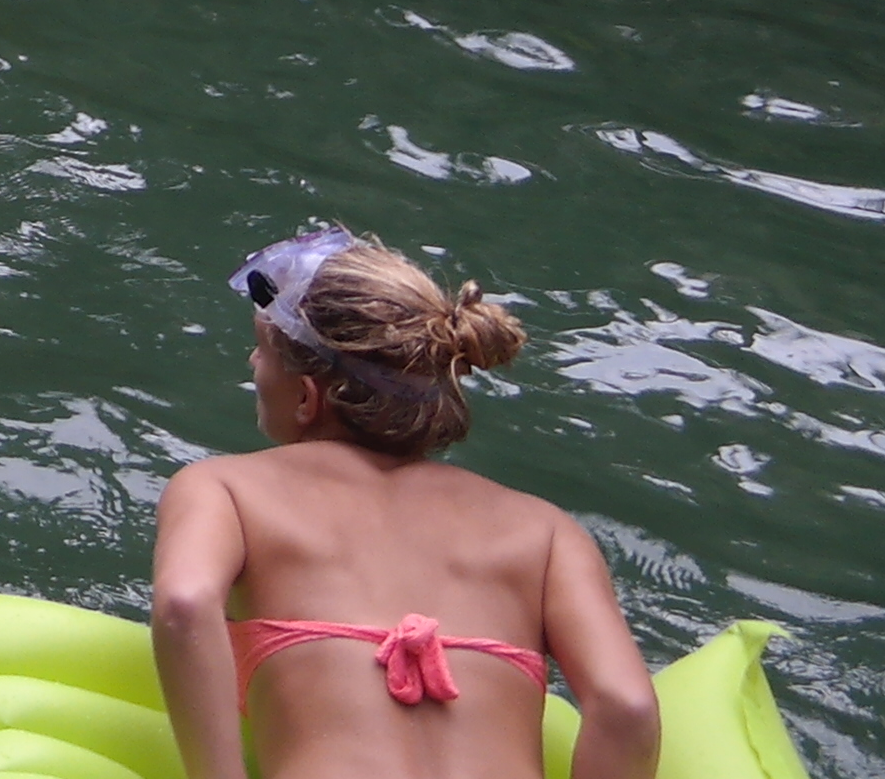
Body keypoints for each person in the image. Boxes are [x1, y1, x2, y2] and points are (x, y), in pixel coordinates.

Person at [150, 230, 655, 779]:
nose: (251, 361)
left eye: (263, 350)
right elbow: (626, 708)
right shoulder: (547, 532)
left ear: (306, 398)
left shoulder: (225, 489)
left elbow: (184, 603)